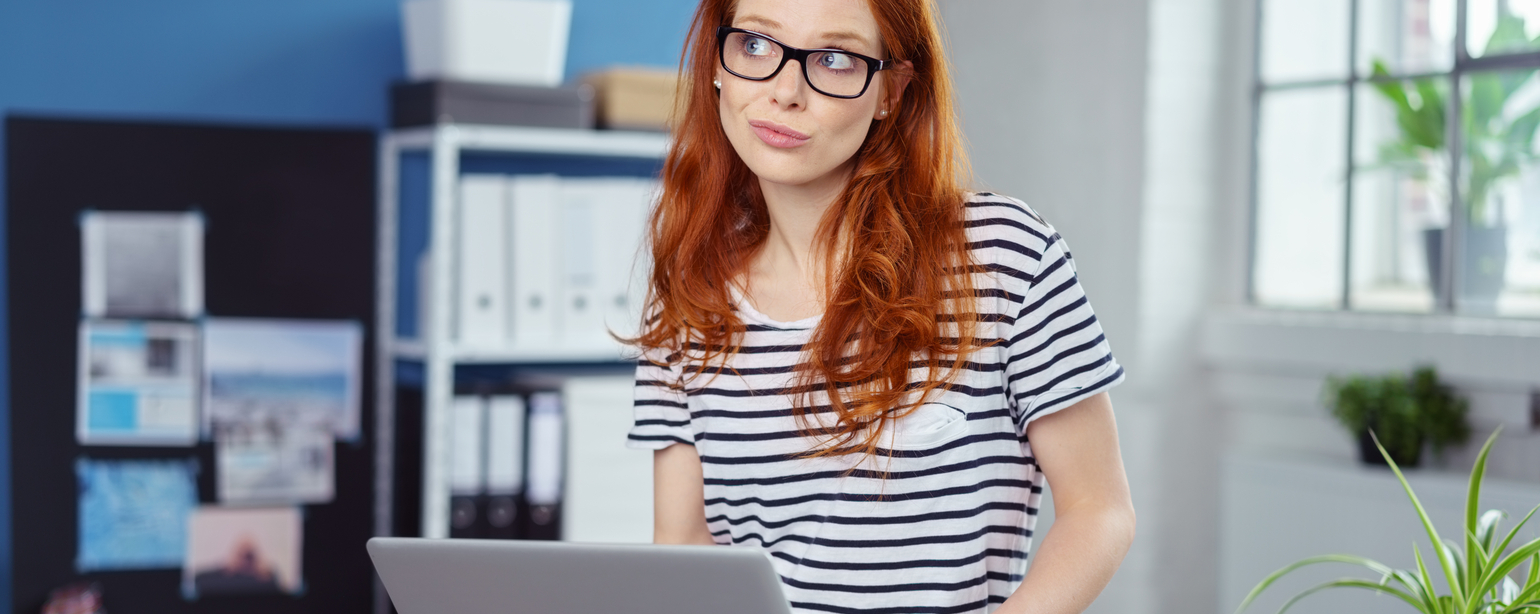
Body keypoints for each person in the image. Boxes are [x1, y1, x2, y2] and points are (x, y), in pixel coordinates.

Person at [625, 0, 1136, 612]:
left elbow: (1098, 511)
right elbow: (682, 549)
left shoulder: (1003, 255)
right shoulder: (689, 301)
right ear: (717, 59)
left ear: (891, 89)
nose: (786, 92)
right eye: (756, 46)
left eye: (835, 59)